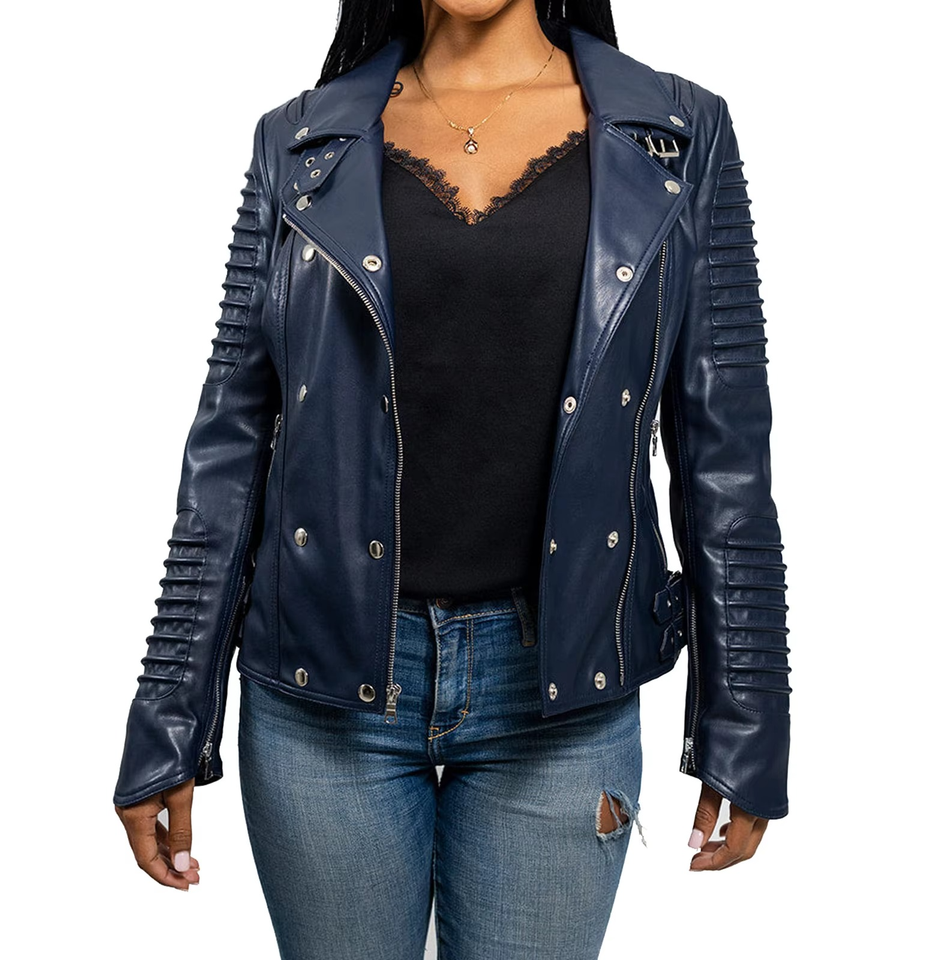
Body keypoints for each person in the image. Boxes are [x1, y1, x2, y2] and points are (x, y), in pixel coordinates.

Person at [114, 1, 791, 956]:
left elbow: (726, 452)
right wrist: (169, 712)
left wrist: (748, 712)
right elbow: (228, 444)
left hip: (563, 694)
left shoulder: (679, 135)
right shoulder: (299, 142)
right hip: (322, 687)